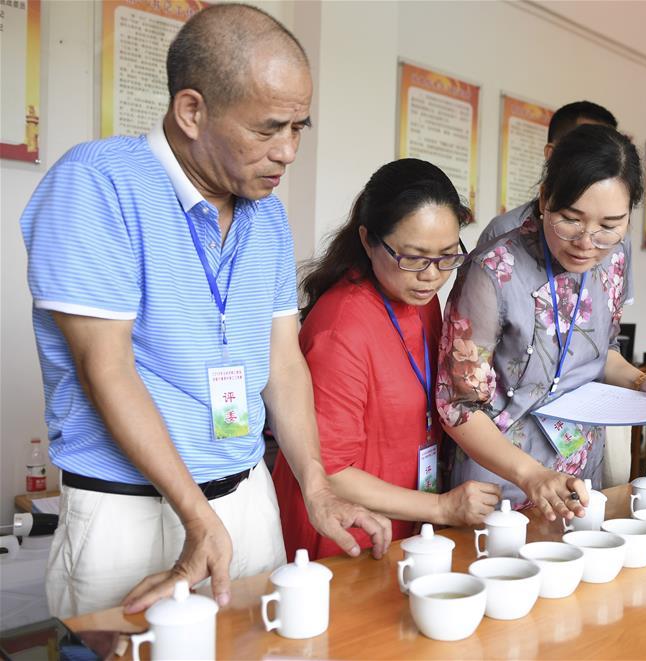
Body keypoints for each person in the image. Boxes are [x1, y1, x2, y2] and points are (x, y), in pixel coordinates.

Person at [19, 4, 389, 619]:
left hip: (246, 499)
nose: (289, 151)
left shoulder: (265, 214)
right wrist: (196, 514)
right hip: (128, 512)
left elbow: (283, 361)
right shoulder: (96, 185)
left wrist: (315, 483)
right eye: (269, 128)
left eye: (300, 127)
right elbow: (105, 369)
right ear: (192, 111)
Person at [437, 124, 646, 522]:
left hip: (578, 470)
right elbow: (458, 406)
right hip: (502, 478)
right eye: (570, 219)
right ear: (545, 199)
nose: (586, 242)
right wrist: (531, 475)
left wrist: (639, 380)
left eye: (609, 226)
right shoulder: (494, 270)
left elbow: (601, 352)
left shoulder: (613, 261)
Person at [273, 159, 502, 559]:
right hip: (345, 531)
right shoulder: (342, 327)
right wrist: (443, 507)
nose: (431, 275)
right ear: (368, 240)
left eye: (447, 256)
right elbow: (331, 472)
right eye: (414, 257)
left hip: (404, 520)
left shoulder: (421, 301)